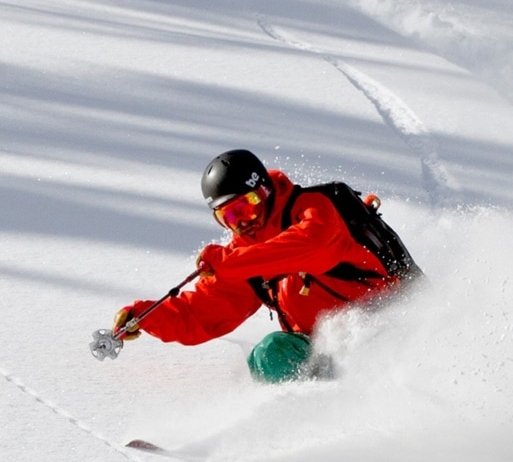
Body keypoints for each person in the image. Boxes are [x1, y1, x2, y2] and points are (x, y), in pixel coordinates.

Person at [113, 149, 418, 382]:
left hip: (388, 321)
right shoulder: (242, 257)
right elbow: (204, 313)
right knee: (269, 356)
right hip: (321, 351)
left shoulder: (314, 210)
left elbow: (311, 247)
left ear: (266, 192)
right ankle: (296, 422)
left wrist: (229, 264)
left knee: (281, 352)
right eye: (229, 216)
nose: (242, 221)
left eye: (248, 205)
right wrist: (146, 316)